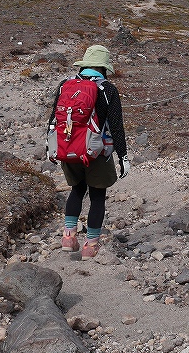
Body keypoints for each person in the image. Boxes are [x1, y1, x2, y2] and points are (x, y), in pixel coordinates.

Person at [46, 44, 128, 258]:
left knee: (77, 190)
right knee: (98, 196)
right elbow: (116, 126)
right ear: (103, 68)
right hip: (95, 152)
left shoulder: (66, 84)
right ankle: (90, 246)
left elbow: (54, 119)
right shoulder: (108, 90)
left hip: (68, 147)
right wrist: (123, 157)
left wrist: (51, 147)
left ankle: (68, 236)